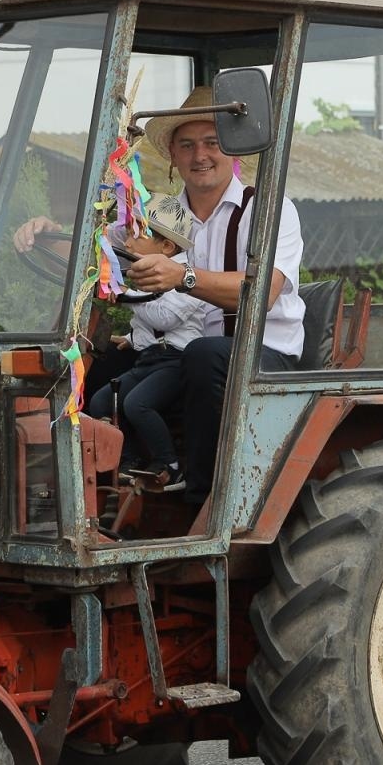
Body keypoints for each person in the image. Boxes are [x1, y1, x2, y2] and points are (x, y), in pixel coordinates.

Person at [122, 86, 304, 501]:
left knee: (204, 353)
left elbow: (264, 294)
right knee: (101, 367)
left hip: (266, 353)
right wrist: (47, 235)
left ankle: (201, 496)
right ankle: (119, 483)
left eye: (212, 143)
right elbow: (113, 243)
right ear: (171, 153)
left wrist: (180, 276)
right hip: (192, 351)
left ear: (234, 150)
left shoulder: (269, 209)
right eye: (186, 145)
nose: (199, 155)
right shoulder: (167, 214)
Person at [84, 194, 203, 490]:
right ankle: (128, 461)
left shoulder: (187, 278)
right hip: (149, 359)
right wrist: (131, 337)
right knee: (100, 400)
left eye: (137, 235)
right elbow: (147, 325)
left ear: (166, 246)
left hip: (176, 361)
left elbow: (164, 318)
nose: (129, 241)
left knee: (137, 403)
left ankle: (171, 465)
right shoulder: (146, 271)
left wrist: (124, 295)